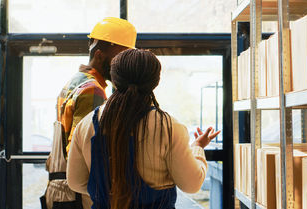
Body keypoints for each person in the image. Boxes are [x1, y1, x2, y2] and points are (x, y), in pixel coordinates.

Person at [66, 49, 220, 209]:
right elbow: (191, 184)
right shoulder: (168, 127)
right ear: (155, 81)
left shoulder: (86, 125)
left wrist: (111, 192)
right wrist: (197, 148)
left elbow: (76, 182)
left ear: (115, 79)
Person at [41, 17, 137, 209]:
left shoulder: (73, 83)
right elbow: (83, 149)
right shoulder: (93, 90)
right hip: (77, 195)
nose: (123, 66)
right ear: (100, 55)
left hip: (60, 189)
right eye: (119, 59)